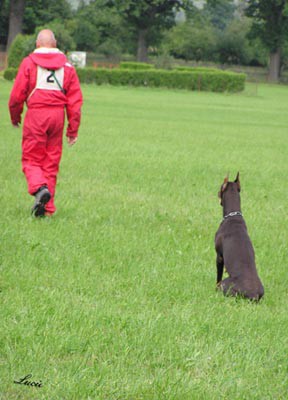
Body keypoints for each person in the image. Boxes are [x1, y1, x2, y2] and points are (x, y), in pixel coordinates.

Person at [8, 29, 83, 217]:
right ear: (55, 44)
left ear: (37, 44)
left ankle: (39, 189)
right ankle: (47, 209)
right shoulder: (67, 67)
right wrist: (72, 130)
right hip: (58, 118)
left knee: (31, 159)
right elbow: (75, 102)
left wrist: (15, 117)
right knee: (51, 162)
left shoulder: (29, 63)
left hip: (36, 116)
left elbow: (17, 96)